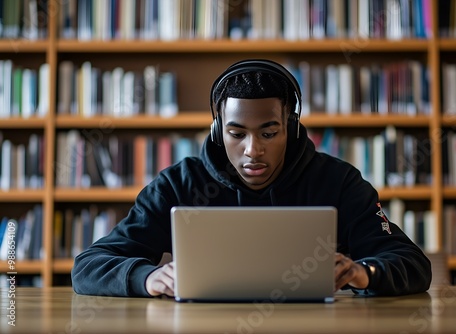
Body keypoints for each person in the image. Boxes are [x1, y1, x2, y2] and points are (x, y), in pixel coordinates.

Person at [71, 59, 432, 297]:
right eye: (237, 133)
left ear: (290, 126)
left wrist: (362, 273)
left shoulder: (338, 182)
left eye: (269, 132)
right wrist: (145, 278)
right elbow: (89, 266)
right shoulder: (178, 186)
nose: (252, 150)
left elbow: (413, 264)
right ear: (217, 131)